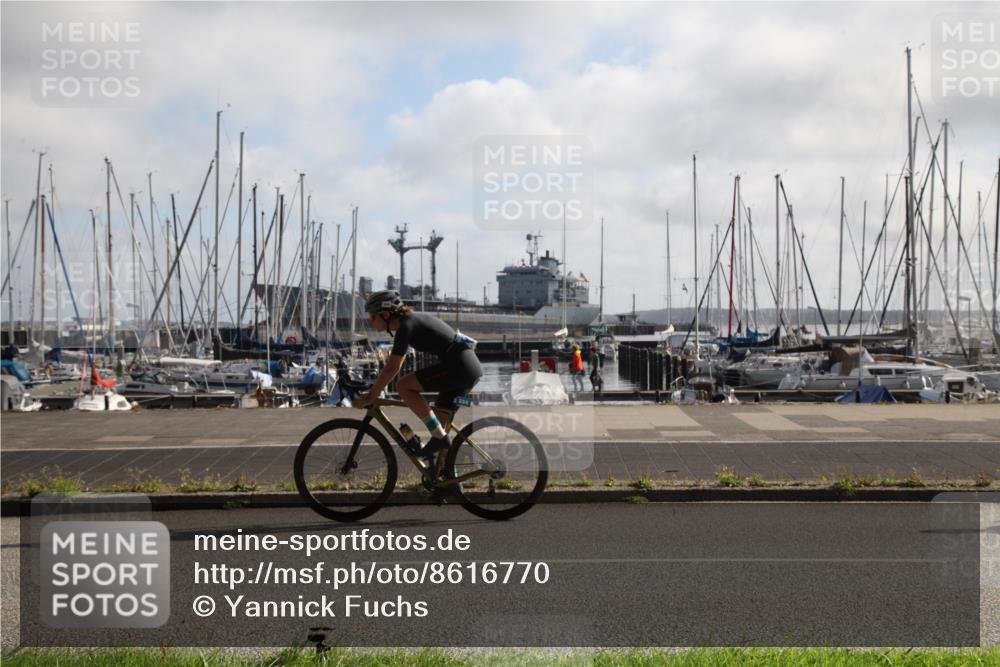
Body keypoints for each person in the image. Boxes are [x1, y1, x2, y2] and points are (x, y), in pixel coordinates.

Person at [355, 290, 482, 474]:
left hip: (460, 367)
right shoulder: (409, 322)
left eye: (373, 316)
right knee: (439, 424)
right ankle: (447, 481)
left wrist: (373, 394)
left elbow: (393, 367)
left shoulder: (406, 325)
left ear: (385, 314)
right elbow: (395, 364)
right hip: (464, 366)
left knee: (403, 386)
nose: (371, 321)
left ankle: (439, 439)